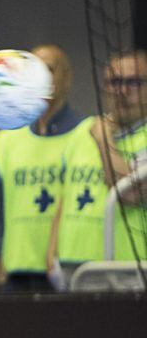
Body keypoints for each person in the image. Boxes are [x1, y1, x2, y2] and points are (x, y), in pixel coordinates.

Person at [0, 44, 91, 293]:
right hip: (17, 274)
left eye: (49, 69)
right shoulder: (7, 139)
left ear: (66, 78)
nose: (41, 77)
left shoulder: (88, 133)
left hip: (66, 271)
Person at [48, 48, 147, 280]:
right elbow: (64, 196)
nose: (122, 91)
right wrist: (51, 255)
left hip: (129, 267)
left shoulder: (103, 133)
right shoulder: (82, 131)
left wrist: (104, 139)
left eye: (133, 82)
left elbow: (129, 194)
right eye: (114, 82)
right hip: (73, 266)